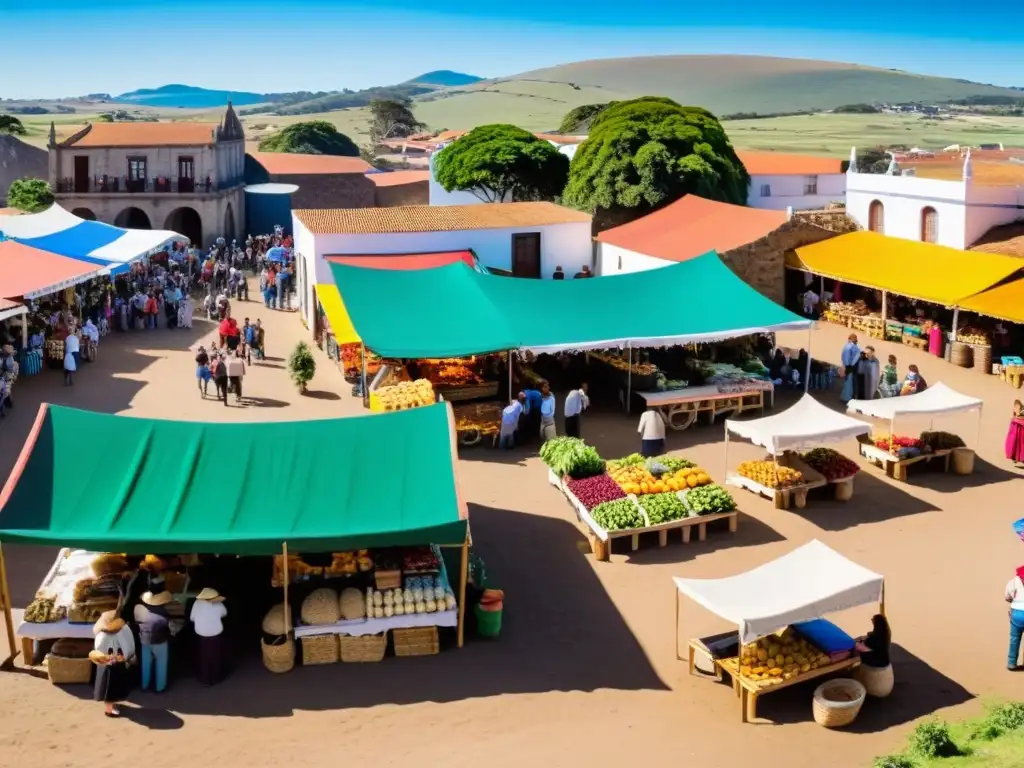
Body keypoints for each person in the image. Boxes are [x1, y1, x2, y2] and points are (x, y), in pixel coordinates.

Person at [91, 610, 136, 718]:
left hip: (104, 665)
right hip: (115, 665)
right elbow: (128, 648)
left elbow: (98, 648)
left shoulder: (101, 634)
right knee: (110, 690)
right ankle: (109, 711)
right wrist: (124, 657)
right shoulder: (122, 632)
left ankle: (110, 706)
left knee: (107, 688)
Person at [134, 589, 173, 693]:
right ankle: (160, 687)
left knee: (146, 663)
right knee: (161, 663)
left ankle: (145, 685)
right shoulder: (164, 612)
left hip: (145, 640)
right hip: (160, 640)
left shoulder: (139, 610)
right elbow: (170, 627)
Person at [191, 588, 228, 686]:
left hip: (201, 634)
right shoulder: (218, 604)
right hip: (216, 634)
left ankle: (204, 678)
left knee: (203, 656)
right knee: (216, 655)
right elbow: (224, 613)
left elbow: (192, 618)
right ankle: (216, 677)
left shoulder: (196, 603)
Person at [1006, 566, 1024, 670]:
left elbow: (1007, 597)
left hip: (1017, 612)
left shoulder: (1013, 582)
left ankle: (1012, 663)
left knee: (1015, 638)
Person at [840, 334, 861, 404]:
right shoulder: (849, 346)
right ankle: (846, 398)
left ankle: (846, 397)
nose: (855, 339)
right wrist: (848, 365)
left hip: (851, 366)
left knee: (849, 382)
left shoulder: (853, 346)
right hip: (850, 366)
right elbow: (846, 357)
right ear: (851, 339)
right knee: (849, 382)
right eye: (854, 338)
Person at [1005, 400, 1024, 467]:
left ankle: (1017, 457)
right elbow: (1014, 417)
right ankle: (1014, 457)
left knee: (1020, 443)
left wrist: (1017, 418)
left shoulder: (1022, 411)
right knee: (1014, 443)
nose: (1015, 408)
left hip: (1020, 430)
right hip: (1015, 430)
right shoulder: (1016, 410)